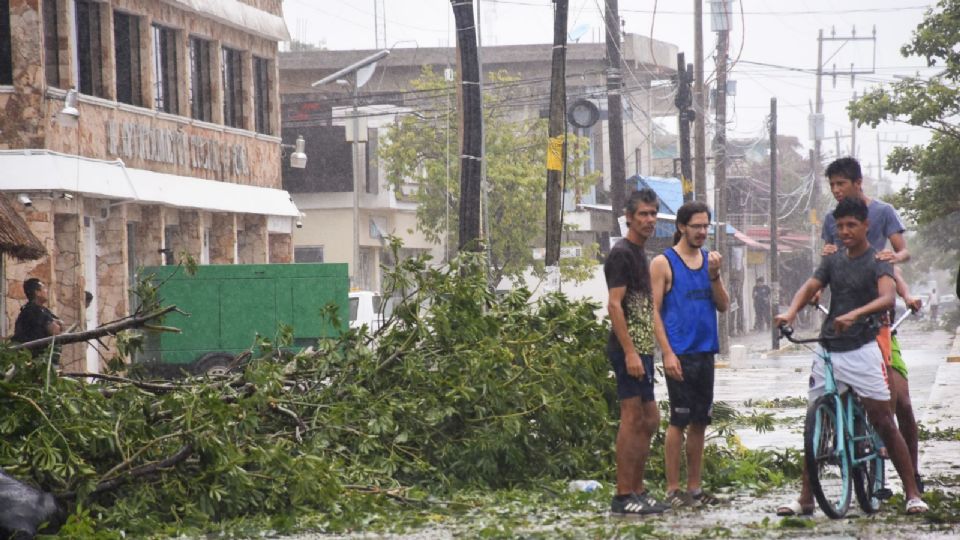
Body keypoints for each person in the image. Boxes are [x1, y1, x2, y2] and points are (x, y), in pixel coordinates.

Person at [775, 197, 927, 515]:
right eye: (839, 226)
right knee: (815, 425)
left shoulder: (879, 260)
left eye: (850, 225)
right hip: (829, 349)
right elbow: (810, 286)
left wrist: (855, 315)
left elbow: (887, 298)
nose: (844, 231)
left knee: (884, 419)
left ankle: (912, 493)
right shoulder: (832, 261)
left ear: (865, 226)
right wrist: (790, 312)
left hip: (863, 349)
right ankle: (805, 498)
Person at [815, 156, 925, 495]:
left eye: (841, 184)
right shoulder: (833, 222)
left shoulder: (883, 213)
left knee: (900, 400)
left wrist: (892, 261)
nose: (836, 190)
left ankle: (911, 474)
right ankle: (820, 473)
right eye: (831, 185)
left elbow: (901, 253)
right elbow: (824, 265)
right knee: (825, 396)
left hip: (879, 317)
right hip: (846, 319)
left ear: (858, 183)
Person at [650, 201, 729, 508]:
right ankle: (673, 490)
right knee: (678, 419)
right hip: (679, 353)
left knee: (700, 421)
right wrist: (667, 353)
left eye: (706, 226)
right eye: (696, 226)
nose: (701, 232)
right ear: (681, 226)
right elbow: (653, 311)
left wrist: (715, 275)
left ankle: (694, 489)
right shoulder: (663, 262)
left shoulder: (711, 261)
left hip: (705, 350)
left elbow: (722, 305)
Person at [603, 188, 669, 516]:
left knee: (651, 419)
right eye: (643, 214)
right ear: (629, 217)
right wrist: (629, 353)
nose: (649, 220)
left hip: (643, 350)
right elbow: (615, 305)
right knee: (631, 418)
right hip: (627, 349)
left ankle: (639, 491)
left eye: (653, 214)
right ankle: (622, 494)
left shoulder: (640, 253)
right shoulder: (621, 253)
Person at [12, 278, 63, 357]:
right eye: (44, 288)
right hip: (34, 359)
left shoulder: (43, 310)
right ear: (37, 292)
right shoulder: (31, 311)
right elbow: (55, 330)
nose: (46, 291)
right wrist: (55, 324)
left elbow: (61, 324)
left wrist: (57, 323)